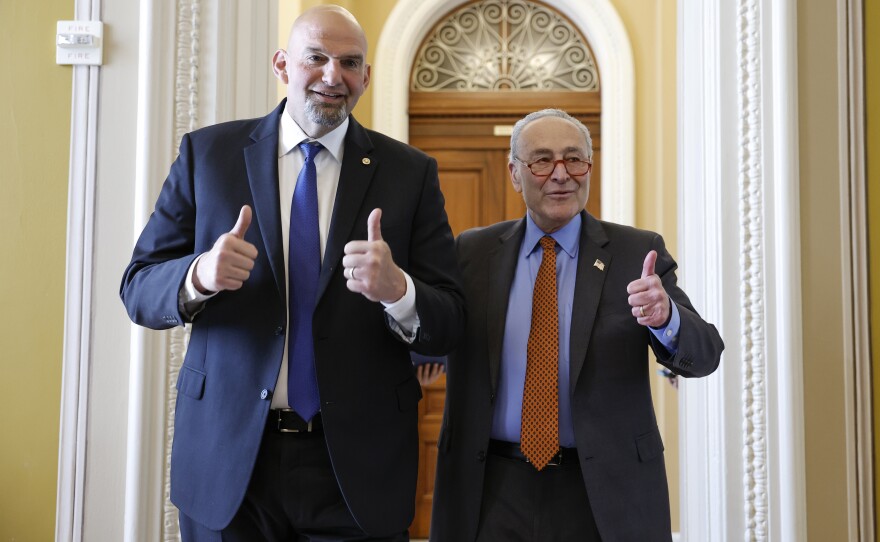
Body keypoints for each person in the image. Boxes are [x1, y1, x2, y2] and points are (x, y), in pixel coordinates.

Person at [120, 5, 464, 541]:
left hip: (357, 469)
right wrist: (200, 275)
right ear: (282, 65)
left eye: (350, 63)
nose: (333, 75)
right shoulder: (209, 155)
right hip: (231, 461)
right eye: (316, 58)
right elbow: (138, 287)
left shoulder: (409, 174)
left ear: (366, 78)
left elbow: (450, 321)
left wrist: (400, 293)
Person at [430, 109, 724, 541]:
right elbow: (435, 330)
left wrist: (667, 320)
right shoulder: (473, 252)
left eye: (575, 159)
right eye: (543, 160)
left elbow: (705, 355)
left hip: (604, 491)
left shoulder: (636, 252)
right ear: (515, 172)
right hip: (491, 486)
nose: (562, 174)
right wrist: (397, 296)